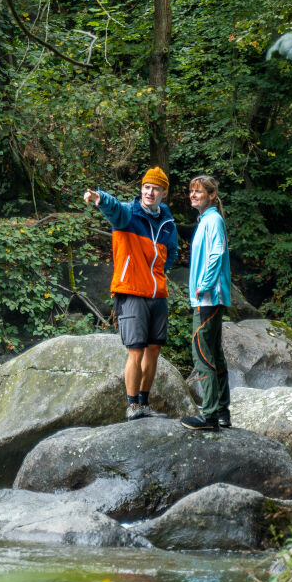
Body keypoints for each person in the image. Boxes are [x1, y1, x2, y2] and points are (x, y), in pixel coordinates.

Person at [83, 167, 178, 420]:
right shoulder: (128, 215)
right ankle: (132, 405)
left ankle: (145, 404)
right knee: (136, 350)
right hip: (131, 291)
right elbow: (113, 207)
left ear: (163, 193)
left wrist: (157, 272)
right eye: (147, 187)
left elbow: (172, 253)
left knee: (154, 349)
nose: (150, 192)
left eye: (156, 188)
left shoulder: (168, 223)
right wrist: (99, 197)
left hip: (157, 294)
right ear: (142, 189)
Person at [180, 174, 233, 430]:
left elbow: (217, 253)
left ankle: (210, 414)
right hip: (208, 296)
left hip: (208, 297)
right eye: (191, 191)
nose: (193, 195)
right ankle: (222, 412)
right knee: (214, 353)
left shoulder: (213, 220)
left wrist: (205, 285)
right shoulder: (207, 220)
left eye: (198, 191)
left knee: (201, 353)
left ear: (211, 195)